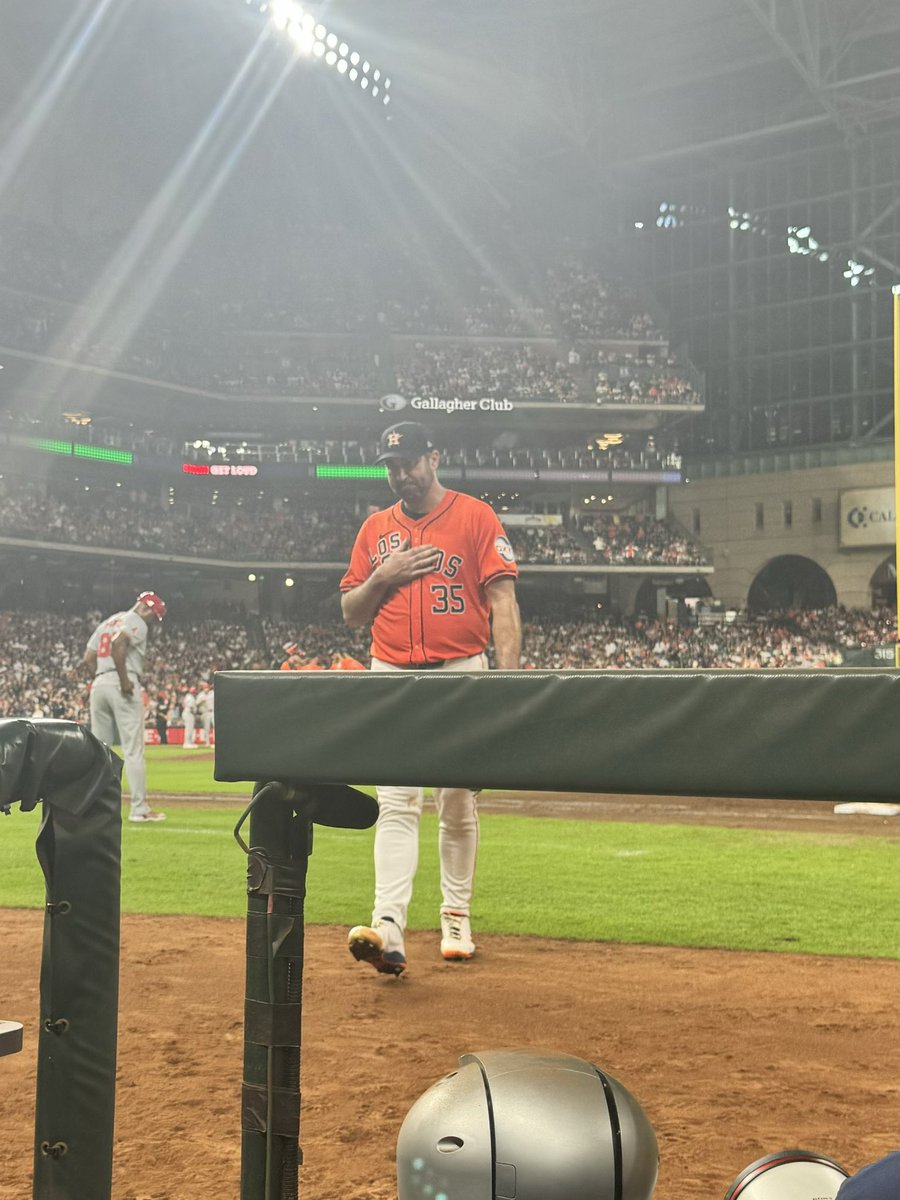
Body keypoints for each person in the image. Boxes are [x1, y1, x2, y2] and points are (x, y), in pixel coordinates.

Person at [340, 421, 521, 976]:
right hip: (391, 671)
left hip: (460, 669)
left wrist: (504, 690)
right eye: (392, 466)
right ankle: (388, 925)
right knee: (396, 802)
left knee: (457, 801)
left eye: (410, 463)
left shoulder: (475, 516)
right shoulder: (375, 529)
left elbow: (504, 604)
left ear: (434, 458)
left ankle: (455, 916)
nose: (401, 475)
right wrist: (383, 575)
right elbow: (351, 611)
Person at [82, 591, 167, 823]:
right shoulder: (136, 621)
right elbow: (119, 643)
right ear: (147, 608)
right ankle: (139, 809)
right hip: (123, 682)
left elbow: (88, 657)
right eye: (154, 616)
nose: (152, 620)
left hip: (99, 683)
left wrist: (102, 677)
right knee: (133, 750)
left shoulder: (109, 620)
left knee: (101, 750)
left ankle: (94, 808)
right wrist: (123, 680)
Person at [197, 680, 214, 746]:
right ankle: (207, 743)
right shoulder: (200, 695)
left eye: (207, 686)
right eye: (204, 687)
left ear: (209, 687)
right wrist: (201, 701)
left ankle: (216, 742)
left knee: (216, 727)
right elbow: (196, 703)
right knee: (206, 728)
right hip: (205, 713)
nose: (206, 688)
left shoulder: (213, 693)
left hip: (213, 712)